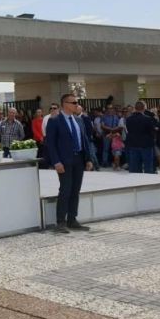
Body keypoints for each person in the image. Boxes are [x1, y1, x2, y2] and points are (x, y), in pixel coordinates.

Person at [46, 93, 92, 233]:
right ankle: (61, 222)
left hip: (79, 160)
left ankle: (72, 219)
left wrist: (88, 159)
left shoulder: (78, 120)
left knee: (75, 190)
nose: (77, 105)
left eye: (77, 102)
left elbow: (84, 140)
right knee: (65, 190)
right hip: (64, 161)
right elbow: (50, 144)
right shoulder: (54, 121)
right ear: (65, 104)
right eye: (74, 102)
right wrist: (56, 162)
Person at [125, 100, 157, 174]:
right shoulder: (148, 119)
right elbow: (151, 131)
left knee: (134, 168)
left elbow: (129, 130)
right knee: (148, 167)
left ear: (135, 108)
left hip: (133, 144)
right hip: (146, 145)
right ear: (144, 108)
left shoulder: (129, 119)